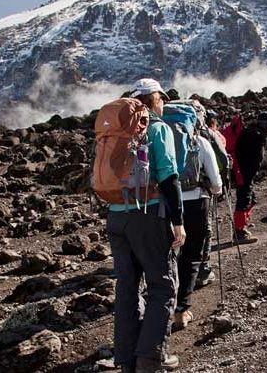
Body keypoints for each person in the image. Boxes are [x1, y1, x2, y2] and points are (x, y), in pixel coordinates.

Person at [105, 78, 186, 373]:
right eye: (161, 98)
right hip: (147, 214)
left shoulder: (115, 130)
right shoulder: (156, 128)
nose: (163, 103)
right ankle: (151, 361)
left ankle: (126, 360)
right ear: (153, 99)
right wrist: (178, 221)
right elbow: (168, 177)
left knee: (127, 287)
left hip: (115, 215)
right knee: (162, 286)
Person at [173, 132, 222, 330]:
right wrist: (215, 189)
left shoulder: (160, 137)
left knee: (166, 253)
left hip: (164, 203)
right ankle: (181, 310)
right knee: (192, 255)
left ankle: (158, 305)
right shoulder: (199, 142)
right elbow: (216, 179)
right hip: (196, 201)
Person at [231, 112, 267, 243]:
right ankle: (239, 232)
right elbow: (254, 158)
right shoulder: (256, 135)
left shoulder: (250, 132)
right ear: (266, 124)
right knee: (244, 200)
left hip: (241, 172)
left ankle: (241, 228)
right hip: (243, 173)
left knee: (250, 199)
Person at [196, 111, 228, 288]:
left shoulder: (167, 132)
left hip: (172, 194)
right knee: (204, 230)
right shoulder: (206, 137)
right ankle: (203, 271)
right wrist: (219, 188)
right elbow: (222, 161)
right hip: (201, 192)